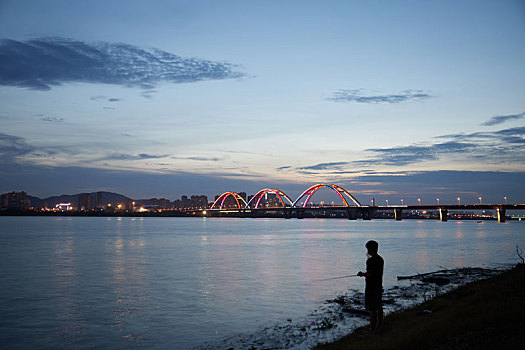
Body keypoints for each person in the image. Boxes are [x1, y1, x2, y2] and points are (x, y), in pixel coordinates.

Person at [357, 240, 384, 332]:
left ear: (370, 249)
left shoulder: (370, 261)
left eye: (367, 249)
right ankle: (380, 324)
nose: (367, 251)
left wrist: (361, 274)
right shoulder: (380, 259)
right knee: (379, 306)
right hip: (379, 285)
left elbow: (370, 273)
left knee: (372, 309)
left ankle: (372, 328)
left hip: (371, 287)